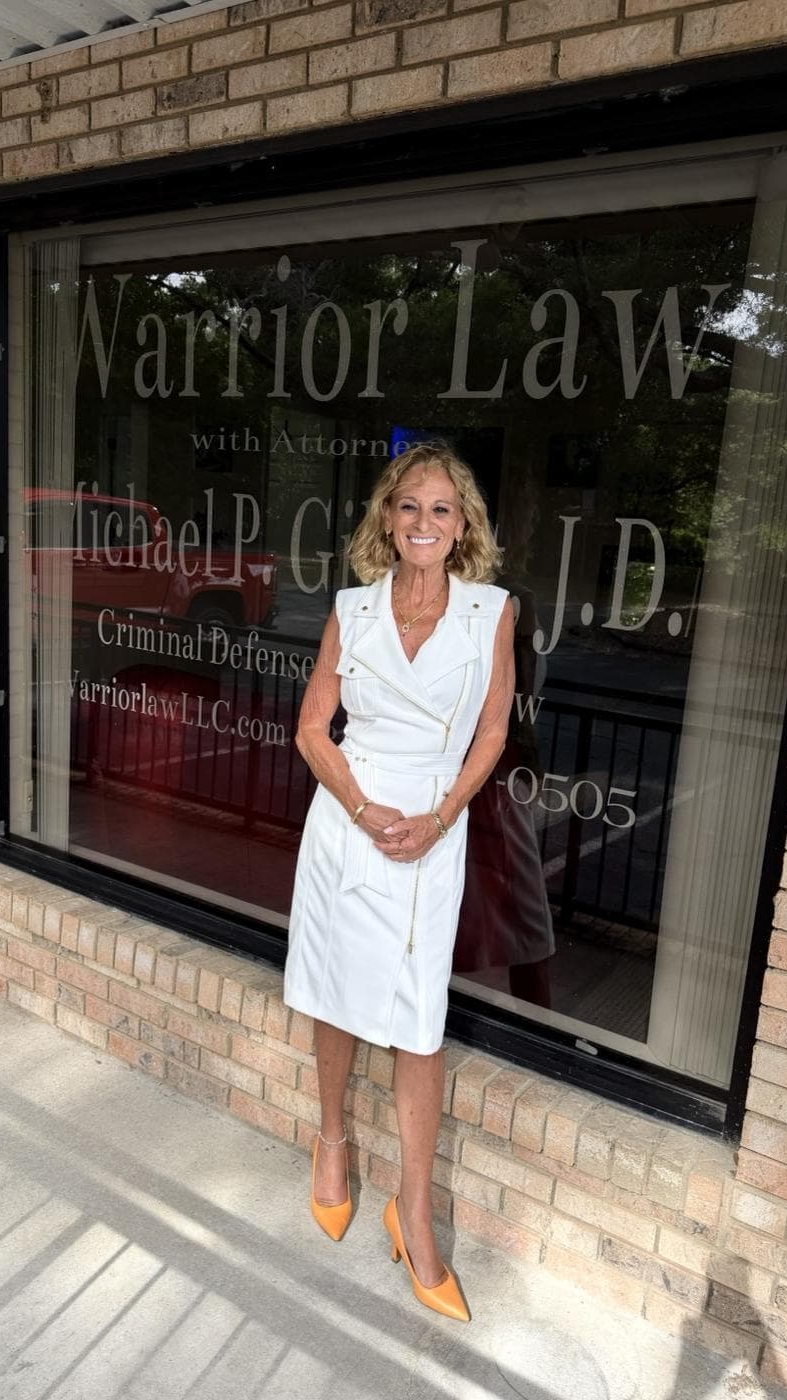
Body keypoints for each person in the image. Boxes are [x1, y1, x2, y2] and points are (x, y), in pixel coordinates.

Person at [283, 442, 515, 1322]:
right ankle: (332, 1141)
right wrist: (361, 808)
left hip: (432, 825)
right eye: (409, 506)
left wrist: (443, 813)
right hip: (352, 819)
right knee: (339, 996)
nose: (424, 522)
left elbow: (492, 731)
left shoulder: (492, 612)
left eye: (442, 509)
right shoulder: (354, 608)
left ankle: (411, 1210)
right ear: (387, 516)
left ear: (464, 528)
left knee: (417, 1026)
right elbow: (313, 729)